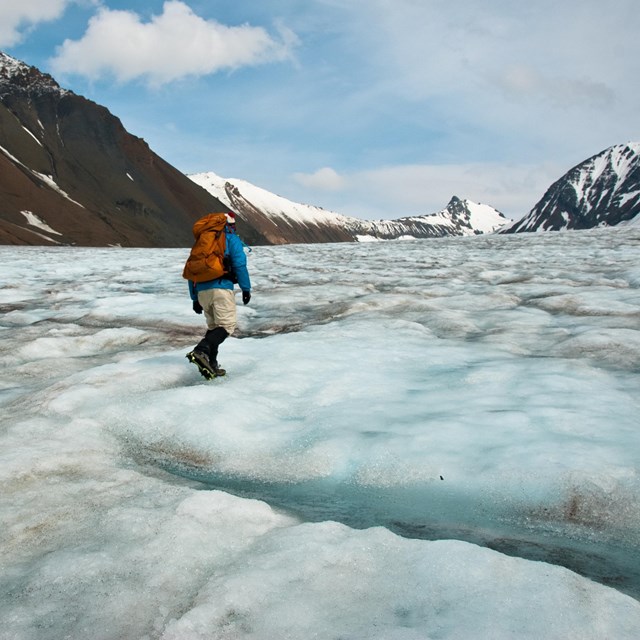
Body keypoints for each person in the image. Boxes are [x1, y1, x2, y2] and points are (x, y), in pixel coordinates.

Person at [186, 212, 251, 378]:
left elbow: (193, 269)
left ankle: (211, 364)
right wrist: (245, 288)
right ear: (228, 225)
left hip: (201, 290)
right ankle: (201, 350)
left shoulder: (202, 241)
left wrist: (195, 298)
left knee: (215, 327)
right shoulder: (230, 238)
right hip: (221, 288)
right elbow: (239, 263)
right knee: (227, 326)